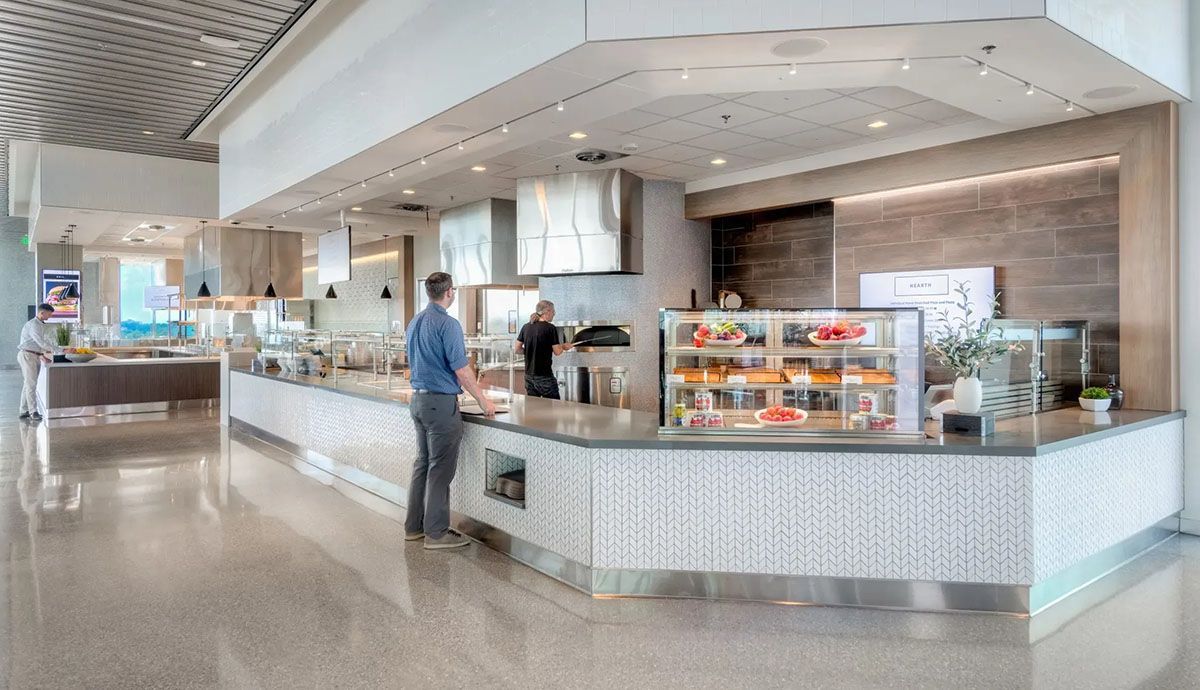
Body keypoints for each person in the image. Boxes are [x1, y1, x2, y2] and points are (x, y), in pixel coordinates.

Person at [404, 272, 495, 550]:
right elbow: (460, 369)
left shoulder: (415, 321)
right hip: (440, 404)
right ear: (450, 292)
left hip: (418, 401)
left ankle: (414, 528)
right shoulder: (448, 324)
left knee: (423, 464)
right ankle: (436, 533)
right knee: (440, 470)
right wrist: (483, 400)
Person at [515, 300, 574, 399]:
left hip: (529, 377)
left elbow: (517, 349)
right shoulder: (550, 328)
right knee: (553, 408)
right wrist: (564, 346)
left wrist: (532, 351)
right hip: (544, 377)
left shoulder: (526, 327)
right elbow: (557, 352)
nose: (554, 314)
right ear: (547, 311)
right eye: (553, 311)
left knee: (534, 408)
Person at [17, 303, 55, 421]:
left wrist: (41, 355)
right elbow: (41, 343)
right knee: (31, 385)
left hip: (33, 355)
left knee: (28, 384)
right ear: (42, 313)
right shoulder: (34, 324)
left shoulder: (39, 325)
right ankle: (33, 412)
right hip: (28, 356)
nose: (50, 317)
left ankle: (24, 411)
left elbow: (37, 344)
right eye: (49, 314)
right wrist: (60, 350)